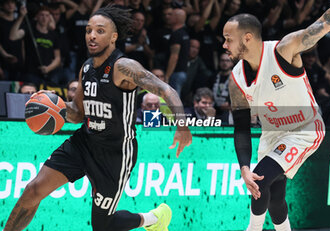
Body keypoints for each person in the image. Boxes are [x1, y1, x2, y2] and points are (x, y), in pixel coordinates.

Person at [4, 5, 192, 231]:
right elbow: (78, 113)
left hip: (115, 153)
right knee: (33, 190)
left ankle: (154, 218)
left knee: (103, 226)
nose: (92, 35)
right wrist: (54, 108)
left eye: (100, 31)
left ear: (114, 37)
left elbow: (166, 90)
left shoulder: (124, 67)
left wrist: (182, 125)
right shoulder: (86, 68)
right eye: (89, 30)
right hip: (84, 142)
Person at [221, 1, 330, 228]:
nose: (224, 45)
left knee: (260, 181)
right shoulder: (236, 79)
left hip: (304, 129)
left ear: (247, 38)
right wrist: (244, 167)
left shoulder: (284, 50)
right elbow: (241, 127)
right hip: (272, 134)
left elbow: (324, 23)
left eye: (228, 39)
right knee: (275, 196)